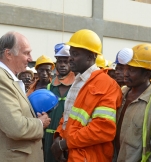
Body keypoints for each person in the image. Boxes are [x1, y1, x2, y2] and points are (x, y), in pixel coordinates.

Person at [0, 31, 51, 162]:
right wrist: (40, 123)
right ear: (8, 54)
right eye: (26, 53)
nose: (30, 58)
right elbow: (17, 127)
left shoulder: (5, 78)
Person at [51, 29, 122, 162]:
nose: (70, 58)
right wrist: (59, 137)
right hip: (72, 155)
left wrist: (65, 143)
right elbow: (67, 116)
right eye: (71, 53)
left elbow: (103, 129)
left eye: (75, 54)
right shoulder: (77, 81)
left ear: (90, 57)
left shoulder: (107, 85)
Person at [114, 43, 151, 161]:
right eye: (126, 68)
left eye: (131, 70)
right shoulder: (121, 93)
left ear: (147, 74)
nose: (125, 73)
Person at [44, 43, 75, 162]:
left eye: (66, 61)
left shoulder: (76, 87)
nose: (62, 65)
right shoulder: (49, 87)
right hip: (48, 138)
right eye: (59, 61)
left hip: (66, 140)